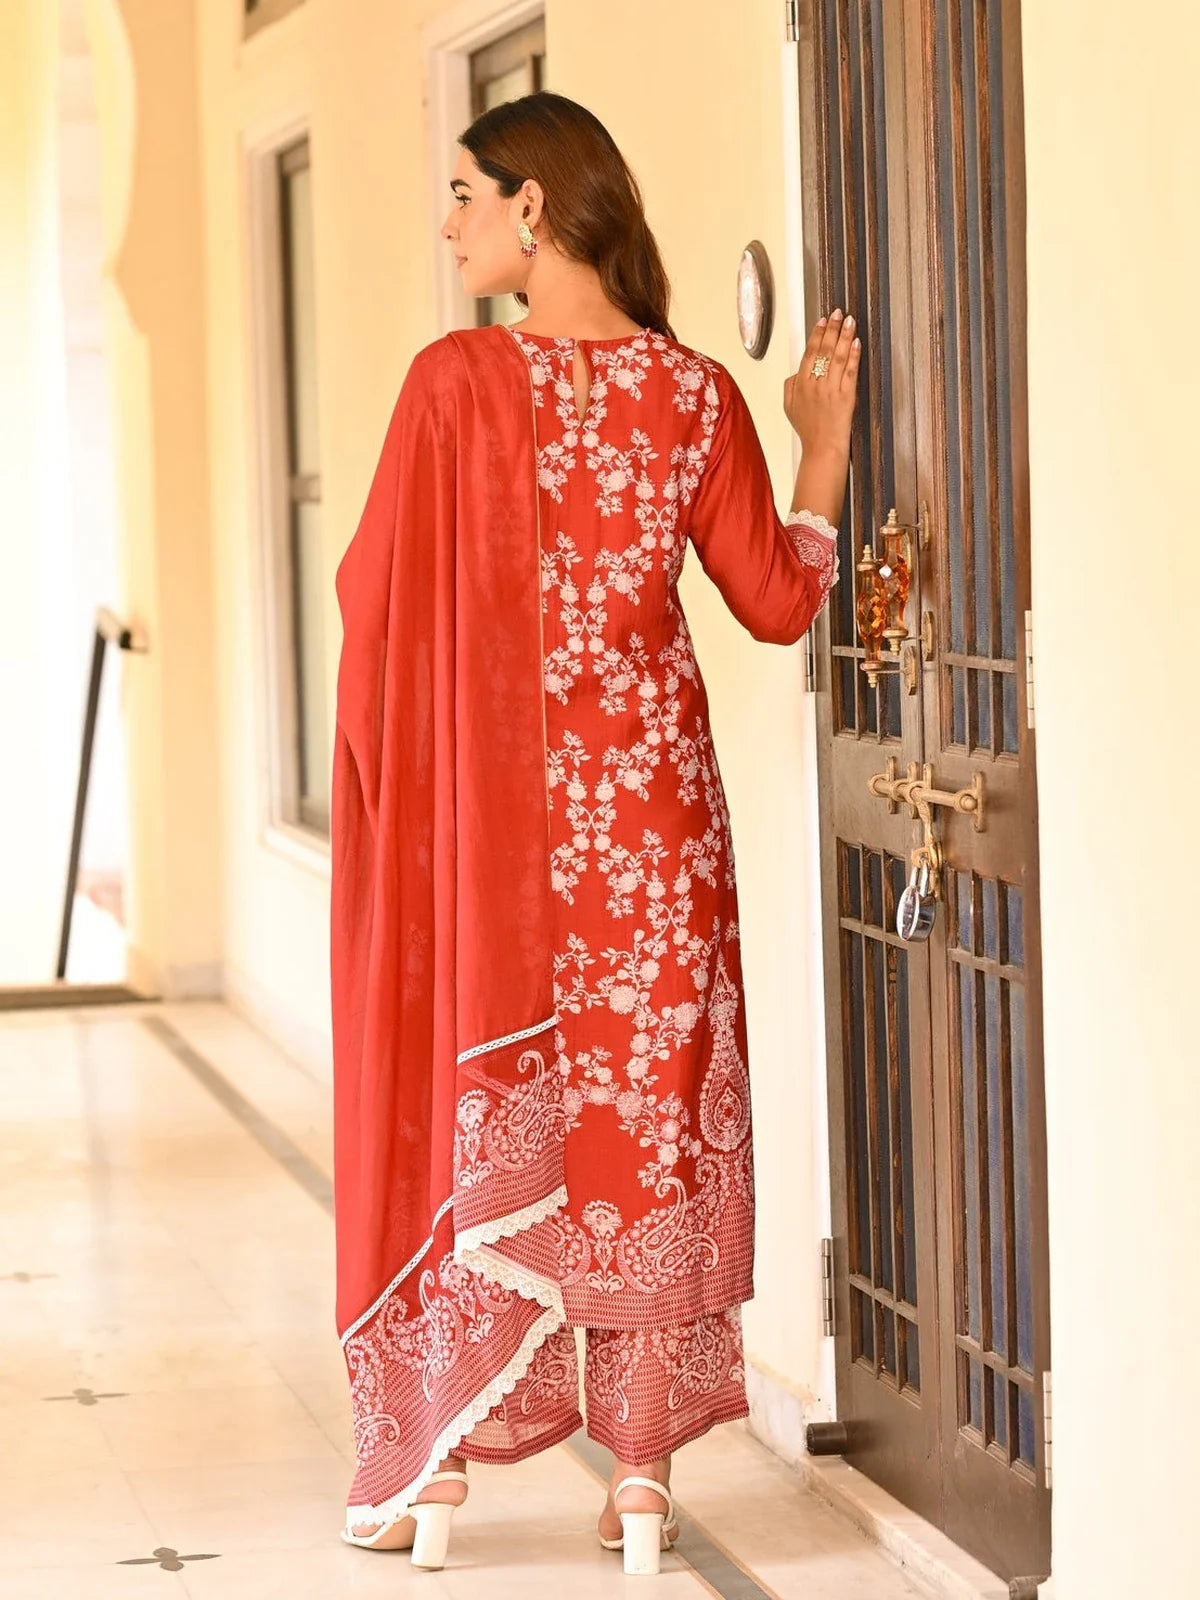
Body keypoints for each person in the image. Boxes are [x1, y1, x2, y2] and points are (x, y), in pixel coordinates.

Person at [329, 90, 859, 1578]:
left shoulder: (452, 385)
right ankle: (638, 1482)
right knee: (643, 1129)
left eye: (465, 194)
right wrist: (821, 449)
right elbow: (779, 601)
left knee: (474, 1102)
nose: (448, 224)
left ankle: (436, 1469)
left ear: (536, 205)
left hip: (490, 836)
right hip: (655, 830)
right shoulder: (694, 396)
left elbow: (374, 599)